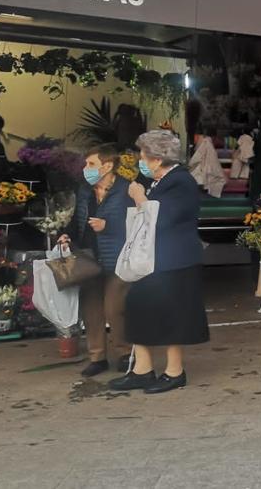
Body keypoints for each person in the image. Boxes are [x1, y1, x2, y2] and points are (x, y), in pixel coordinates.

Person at [108, 130, 208, 394]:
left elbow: (164, 218)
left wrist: (140, 198)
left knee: (172, 315)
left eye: (143, 155)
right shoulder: (158, 180)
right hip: (154, 258)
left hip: (175, 259)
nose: (140, 160)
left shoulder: (180, 181)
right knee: (138, 307)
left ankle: (175, 372)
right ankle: (142, 369)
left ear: (156, 157)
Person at [62, 145, 135, 377]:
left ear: (108, 165)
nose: (86, 169)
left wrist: (109, 226)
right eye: (86, 164)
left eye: (91, 164)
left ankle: (125, 353)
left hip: (117, 257)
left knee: (115, 308)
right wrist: (66, 235)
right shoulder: (84, 189)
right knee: (91, 310)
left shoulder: (127, 190)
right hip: (88, 257)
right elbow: (77, 219)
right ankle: (97, 357)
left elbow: (139, 223)